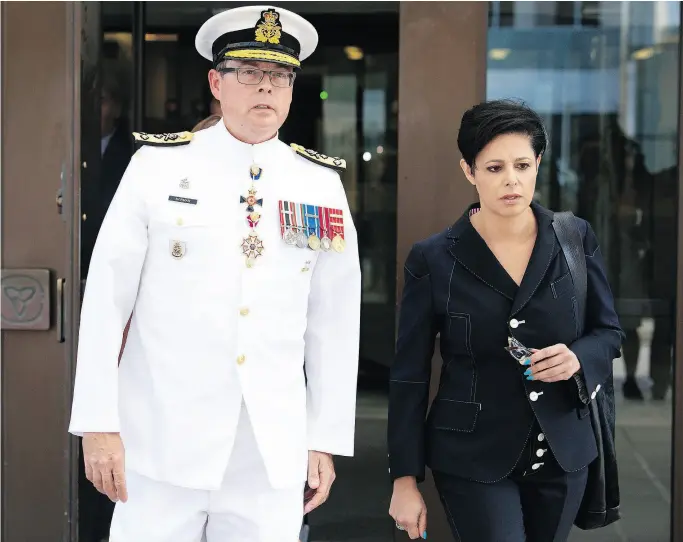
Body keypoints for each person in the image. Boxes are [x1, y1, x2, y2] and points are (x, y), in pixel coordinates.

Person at [69, 5, 362, 542]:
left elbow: (334, 321)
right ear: (216, 82)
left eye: (280, 76)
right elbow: (107, 299)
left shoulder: (318, 183)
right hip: (161, 440)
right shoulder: (157, 167)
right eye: (249, 73)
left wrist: (323, 438)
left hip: (268, 451)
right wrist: (97, 423)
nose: (266, 89)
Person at [387, 99, 624, 541]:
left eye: (521, 165)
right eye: (494, 168)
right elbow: (410, 375)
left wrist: (578, 358)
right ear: (469, 171)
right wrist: (404, 478)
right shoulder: (434, 257)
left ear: (537, 164)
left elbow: (608, 333)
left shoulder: (574, 237)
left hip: (562, 451)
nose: (511, 180)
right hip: (471, 456)